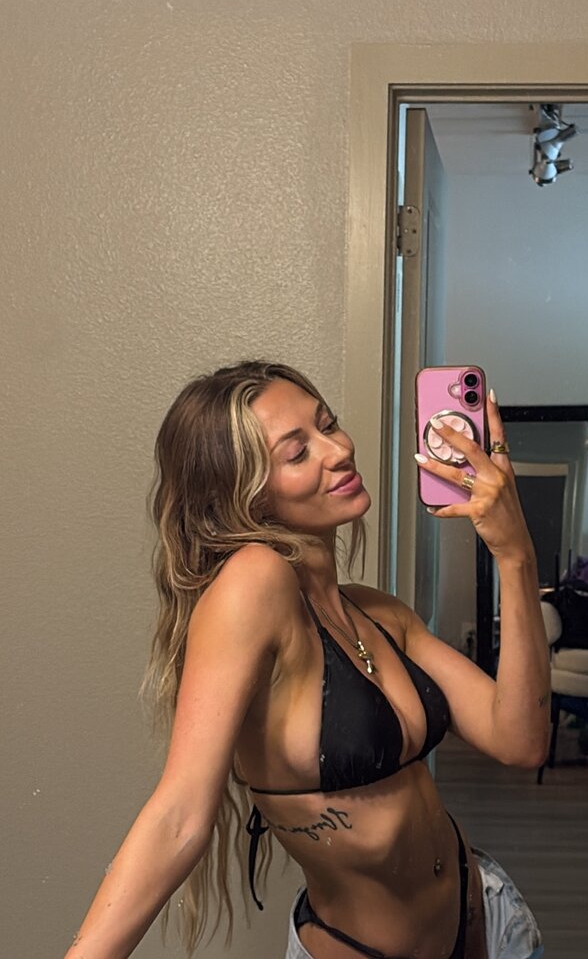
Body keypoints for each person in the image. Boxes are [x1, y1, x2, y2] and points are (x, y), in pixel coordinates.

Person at [66, 360, 551, 959]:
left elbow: (520, 740)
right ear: (245, 495)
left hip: (490, 924)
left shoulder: (378, 612)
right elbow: (180, 814)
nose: (339, 450)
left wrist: (515, 554)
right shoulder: (254, 584)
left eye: (329, 424)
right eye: (298, 452)